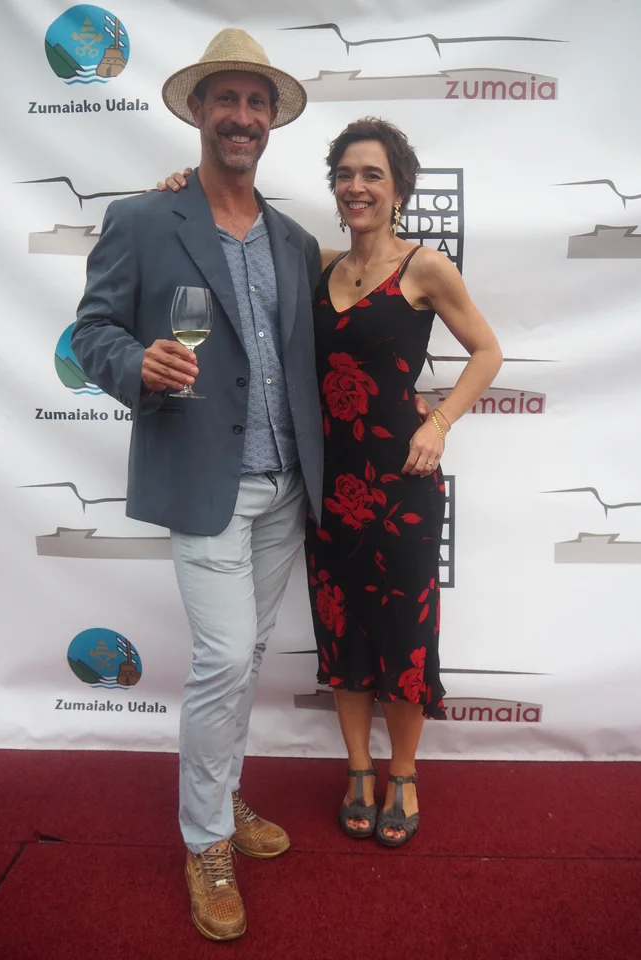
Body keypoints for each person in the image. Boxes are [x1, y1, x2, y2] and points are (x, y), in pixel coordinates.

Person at [159, 122, 502, 847]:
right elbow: (229, 242)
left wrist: (439, 422)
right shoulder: (312, 264)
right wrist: (180, 190)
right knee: (341, 628)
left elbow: (487, 351)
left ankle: (402, 773)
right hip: (327, 482)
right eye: (345, 174)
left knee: (404, 633)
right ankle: (357, 768)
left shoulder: (425, 268)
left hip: (403, 483)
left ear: (399, 189)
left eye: (373, 174)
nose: (356, 186)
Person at [72, 29, 326, 942]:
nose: (241, 117)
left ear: (272, 121)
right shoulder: (146, 219)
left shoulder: (297, 242)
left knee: (247, 657)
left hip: (286, 485)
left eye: (256, 103)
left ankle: (222, 795)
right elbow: (92, 331)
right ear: (198, 111)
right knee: (222, 660)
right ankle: (205, 841)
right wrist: (136, 363)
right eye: (227, 100)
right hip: (205, 480)